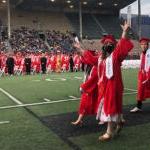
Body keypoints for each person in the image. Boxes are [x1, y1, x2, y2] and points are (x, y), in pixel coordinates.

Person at [74, 21, 133, 141]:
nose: (109, 45)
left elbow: (122, 45)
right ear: (103, 46)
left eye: (111, 44)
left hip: (113, 86)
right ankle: (120, 121)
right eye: (106, 43)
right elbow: (90, 58)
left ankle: (109, 133)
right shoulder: (100, 59)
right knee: (113, 106)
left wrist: (125, 31)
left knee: (110, 106)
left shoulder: (115, 56)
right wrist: (80, 48)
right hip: (104, 87)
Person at [71, 51, 98, 125]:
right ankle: (79, 120)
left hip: (94, 89)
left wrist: (83, 87)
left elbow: (93, 80)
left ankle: (110, 120)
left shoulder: (95, 67)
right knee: (84, 104)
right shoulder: (89, 66)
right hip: (89, 88)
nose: (85, 60)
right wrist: (80, 52)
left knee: (100, 104)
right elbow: (84, 60)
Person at [130, 38, 150, 112]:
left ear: (148, 45)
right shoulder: (142, 54)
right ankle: (138, 107)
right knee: (140, 90)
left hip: (149, 73)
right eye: (142, 44)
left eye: (145, 44)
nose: (143, 46)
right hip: (143, 74)